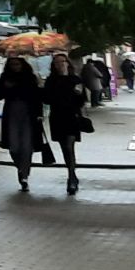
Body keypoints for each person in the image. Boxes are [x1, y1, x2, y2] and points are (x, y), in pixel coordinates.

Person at [46, 51, 92, 194]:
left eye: (62, 61)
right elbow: (46, 99)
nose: (60, 65)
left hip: (72, 117)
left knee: (69, 146)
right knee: (65, 148)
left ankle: (71, 177)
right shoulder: (51, 80)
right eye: (57, 62)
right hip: (57, 117)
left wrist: (79, 93)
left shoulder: (75, 79)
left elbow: (82, 101)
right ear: (53, 65)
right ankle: (72, 174)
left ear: (67, 63)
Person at [0, 55, 44, 191]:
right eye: (12, 64)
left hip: (28, 114)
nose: (15, 67)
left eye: (17, 64)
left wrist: (39, 114)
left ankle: (24, 175)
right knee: (14, 147)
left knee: (27, 146)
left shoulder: (30, 78)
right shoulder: (5, 77)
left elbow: (37, 97)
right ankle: (20, 168)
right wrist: (5, 87)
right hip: (12, 113)